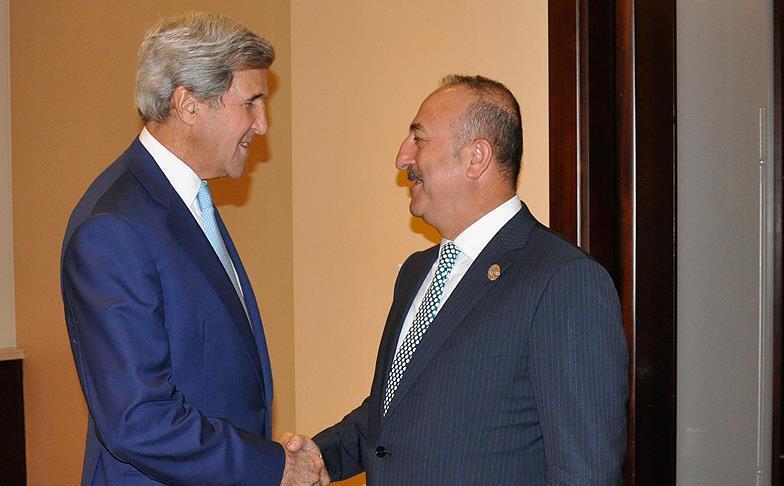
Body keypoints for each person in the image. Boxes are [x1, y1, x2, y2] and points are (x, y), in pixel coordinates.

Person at [289, 75, 628, 484]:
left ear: (475, 158)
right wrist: (320, 456)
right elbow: (396, 410)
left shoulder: (563, 280)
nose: (402, 157)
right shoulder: (417, 271)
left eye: (419, 139)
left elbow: (585, 470)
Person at [60, 12, 326, 485]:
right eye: (251, 102)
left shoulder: (183, 200)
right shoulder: (114, 228)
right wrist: (273, 466)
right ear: (188, 105)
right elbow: (139, 421)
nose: (262, 124)